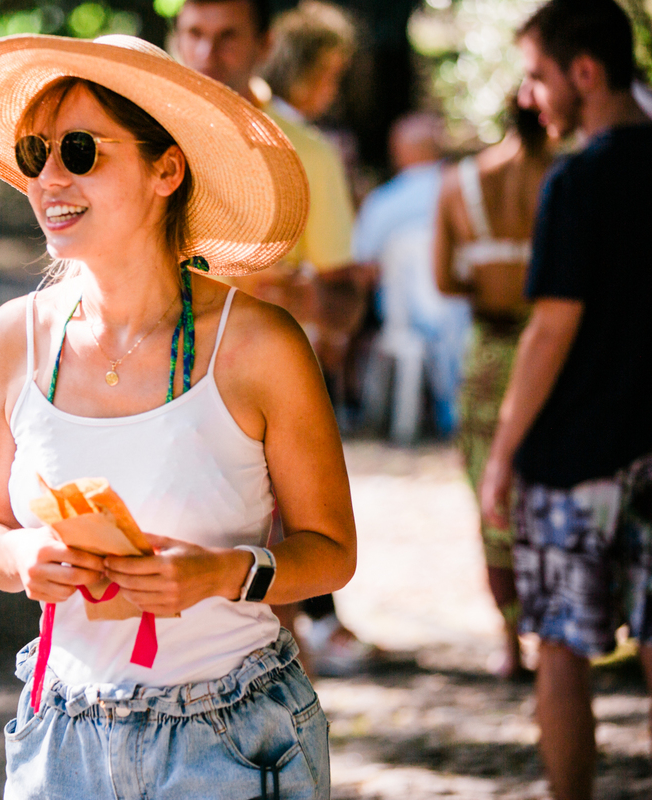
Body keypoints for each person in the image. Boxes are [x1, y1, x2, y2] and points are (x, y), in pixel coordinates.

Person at [0, 33, 356, 798]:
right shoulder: (13, 338)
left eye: (80, 151)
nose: (48, 179)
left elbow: (334, 552)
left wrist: (222, 574)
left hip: (232, 734)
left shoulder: (257, 344)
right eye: (34, 152)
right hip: (63, 735)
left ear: (166, 169)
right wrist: (23, 560)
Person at [479, 2, 652, 798]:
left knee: (562, 647)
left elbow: (549, 330)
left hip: (573, 457)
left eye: (538, 75)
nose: (530, 95)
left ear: (585, 72)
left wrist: (501, 456)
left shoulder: (579, 178)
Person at [175, 0, 370, 677]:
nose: (207, 54)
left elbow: (346, 298)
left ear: (264, 44)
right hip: (152, 398)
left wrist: (298, 293)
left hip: (265, 410)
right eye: (193, 34)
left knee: (270, 612)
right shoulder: (143, 133)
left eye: (227, 37)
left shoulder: (303, 150)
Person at [433, 95, 553, 679]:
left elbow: (444, 278)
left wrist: (490, 269)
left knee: (490, 493)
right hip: (554, 352)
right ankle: (562, 633)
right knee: (552, 485)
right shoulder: (565, 176)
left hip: (486, 349)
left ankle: (510, 643)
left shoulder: (460, 183)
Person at [354, 112, 471, 440]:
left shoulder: (383, 202)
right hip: (462, 312)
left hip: (404, 318)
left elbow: (364, 269)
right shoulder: (465, 190)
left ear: (399, 151)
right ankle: (455, 418)